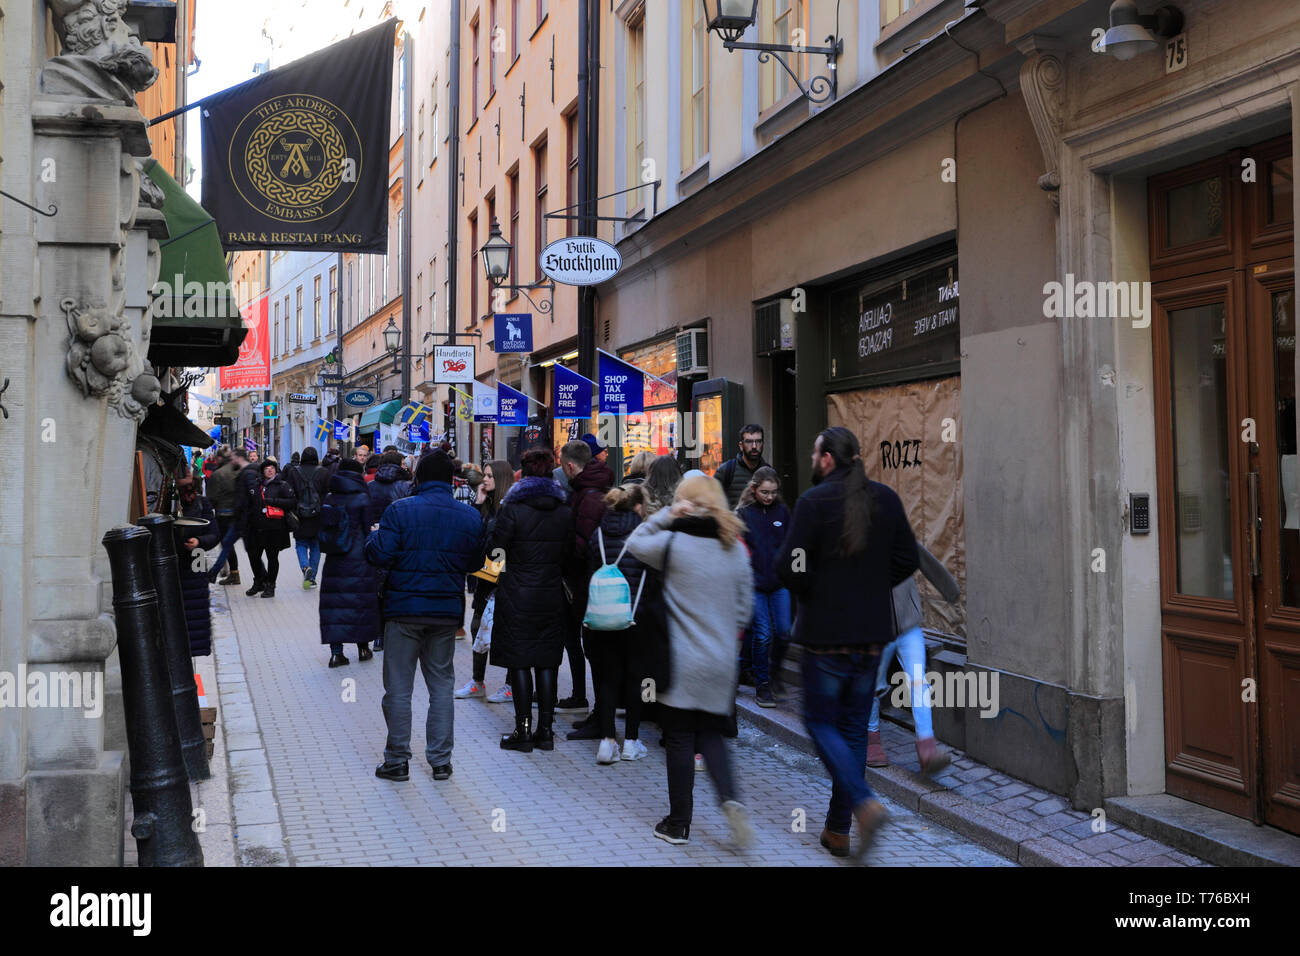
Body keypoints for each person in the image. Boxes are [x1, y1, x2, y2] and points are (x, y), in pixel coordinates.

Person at [776, 426, 919, 862]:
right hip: (872, 637)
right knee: (854, 730)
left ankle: (864, 801)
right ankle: (838, 831)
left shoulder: (813, 503)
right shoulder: (887, 499)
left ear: (827, 459)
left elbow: (790, 567)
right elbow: (907, 560)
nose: (812, 459)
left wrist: (818, 590)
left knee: (821, 724)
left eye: (815, 453)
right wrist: (871, 588)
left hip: (826, 638)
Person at [626, 474, 755, 848]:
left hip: (680, 661)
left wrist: (666, 513)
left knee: (680, 737)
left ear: (687, 504)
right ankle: (732, 802)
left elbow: (635, 543)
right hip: (721, 661)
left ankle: (678, 823)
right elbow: (745, 610)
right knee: (712, 735)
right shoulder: (735, 548)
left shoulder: (673, 543)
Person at [366, 450, 486, 783]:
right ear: (451, 479)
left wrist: (374, 534)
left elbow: (379, 554)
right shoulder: (468, 516)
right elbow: (475, 565)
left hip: (403, 611)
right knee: (442, 686)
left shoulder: (400, 511)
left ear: (419, 477)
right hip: (446, 612)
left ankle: (397, 760)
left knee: (399, 689)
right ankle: (441, 762)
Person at [489, 448, 575, 753]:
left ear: (522, 474)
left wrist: (487, 584)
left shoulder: (511, 509)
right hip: (551, 594)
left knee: (521, 661)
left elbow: (495, 554)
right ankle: (546, 732)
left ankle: (522, 731)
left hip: (517, 594)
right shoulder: (564, 510)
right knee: (547, 662)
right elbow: (569, 555)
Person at [867, 542, 961, 774]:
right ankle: (871, 739)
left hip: (909, 626)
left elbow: (923, 558)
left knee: (919, 682)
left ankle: (927, 748)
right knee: (873, 686)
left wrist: (949, 590)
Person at [586, 483, 652, 764]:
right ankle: (632, 742)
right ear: (638, 506)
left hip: (601, 619)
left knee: (607, 679)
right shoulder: (644, 534)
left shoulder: (597, 535)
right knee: (634, 680)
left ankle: (607, 741)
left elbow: (588, 571)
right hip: (634, 619)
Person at [558, 439, 614, 722]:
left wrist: (564, 552)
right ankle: (599, 711)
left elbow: (583, 544)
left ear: (570, 465)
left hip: (588, 584)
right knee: (595, 648)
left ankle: (602, 715)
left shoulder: (588, 496)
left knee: (596, 650)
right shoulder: (594, 489)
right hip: (592, 582)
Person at [456, 459, 516, 702]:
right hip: (485, 578)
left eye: (489, 476)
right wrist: (478, 503)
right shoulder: (487, 506)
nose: (485, 480)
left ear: (500, 478)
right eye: (485, 475)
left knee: (508, 633)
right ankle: (477, 681)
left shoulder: (508, 507)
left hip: (504, 579)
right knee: (476, 627)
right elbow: (471, 534)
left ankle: (511, 684)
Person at [737, 466, 792, 707]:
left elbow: (791, 544)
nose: (769, 497)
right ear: (753, 489)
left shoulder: (782, 512)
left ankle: (775, 672)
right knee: (762, 635)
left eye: (773, 492)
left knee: (783, 631)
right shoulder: (744, 514)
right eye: (764, 492)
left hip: (780, 583)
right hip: (754, 584)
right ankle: (763, 685)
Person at [319, 459, 380, 667]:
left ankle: (336, 654)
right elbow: (368, 529)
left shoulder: (329, 497)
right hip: (359, 559)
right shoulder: (362, 498)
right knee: (361, 603)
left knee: (335, 606)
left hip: (335, 559)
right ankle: (363, 649)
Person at [175, 477, 219, 656]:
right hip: (175, 561)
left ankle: (197, 654)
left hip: (196, 558)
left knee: (198, 606)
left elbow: (214, 534)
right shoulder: (169, 505)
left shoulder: (202, 504)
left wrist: (199, 541)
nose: (187, 493)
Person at [249, 458, 297, 599]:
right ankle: (258, 581)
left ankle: (271, 585)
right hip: (257, 528)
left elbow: (292, 502)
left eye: (272, 468)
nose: (269, 470)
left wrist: (274, 502)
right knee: (254, 556)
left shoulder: (282, 485)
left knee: (272, 558)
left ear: (276, 470)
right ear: (262, 471)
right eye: (267, 468)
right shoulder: (256, 486)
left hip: (275, 528)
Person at [287, 447, 327, 590]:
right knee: (316, 546)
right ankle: (312, 579)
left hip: (300, 515)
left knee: (301, 544)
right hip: (318, 514)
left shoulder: (294, 472)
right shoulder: (323, 472)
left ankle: (305, 567)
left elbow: (289, 493)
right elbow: (327, 494)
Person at [206, 448, 247, 585]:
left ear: (219, 459)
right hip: (239, 514)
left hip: (223, 514)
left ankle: (228, 573)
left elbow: (211, 498)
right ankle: (234, 574)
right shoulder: (240, 471)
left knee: (227, 544)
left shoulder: (218, 474)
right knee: (239, 547)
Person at [714, 424, 771, 510]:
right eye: (749, 442)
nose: (754, 446)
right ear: (741, 445)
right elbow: (712, 502)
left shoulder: (769, 472)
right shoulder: (727, 470)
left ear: (763, 444)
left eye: (758, 441)